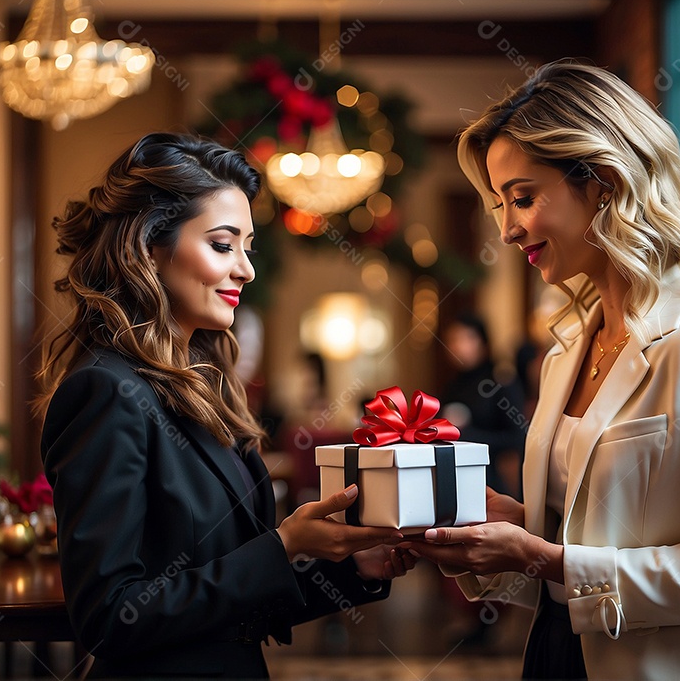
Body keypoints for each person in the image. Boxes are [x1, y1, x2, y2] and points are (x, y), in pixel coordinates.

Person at [407, 61, 680, 680]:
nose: (506, 229)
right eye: (501, 204)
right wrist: (506, 530)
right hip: (556, 654)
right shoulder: (564, 354)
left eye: (523, 198)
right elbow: (575, 538)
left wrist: (548, 559)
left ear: (604, 182)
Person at [37, 132, 413, 678]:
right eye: (222, 244)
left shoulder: (200, 385)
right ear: (148, 247)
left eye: (247, 248)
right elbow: (111, 618)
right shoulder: (105, 391)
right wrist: (283, 545)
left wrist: (355, 566)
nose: (246, 269)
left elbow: (234, 603)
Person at [441, 312, 527, 500]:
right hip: (453, 475)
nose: (459, 346)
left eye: (467, 338)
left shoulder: (500, 380)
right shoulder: (453, 384)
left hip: (490, 480)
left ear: (483, 341)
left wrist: (467, 435)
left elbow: (518, 436)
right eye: (453, 340)